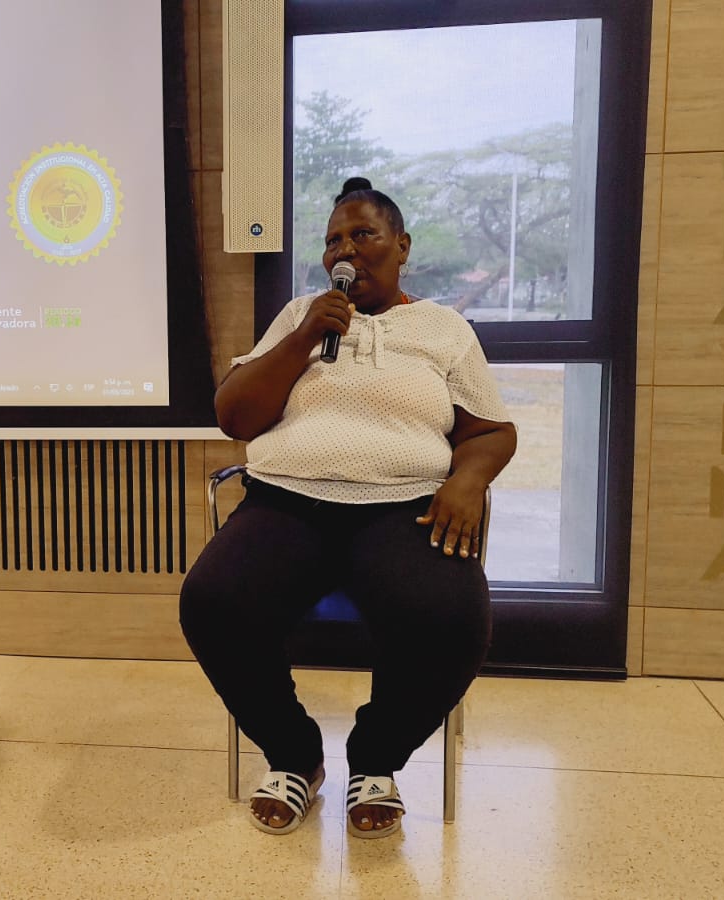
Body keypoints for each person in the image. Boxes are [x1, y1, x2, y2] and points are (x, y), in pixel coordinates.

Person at [180, 177, 517, 839]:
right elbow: (236, 415)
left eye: (363, 234)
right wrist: (303, 336)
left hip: (404, 507)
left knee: (449, 620)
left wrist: (468, 479)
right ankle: (295, 756)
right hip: (286, 503)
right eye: (335, 238)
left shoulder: (443, 329)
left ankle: (376, 761)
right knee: (213, 603)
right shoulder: (302, 315)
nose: (347, 249)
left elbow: (491, 430)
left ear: (401, 247)